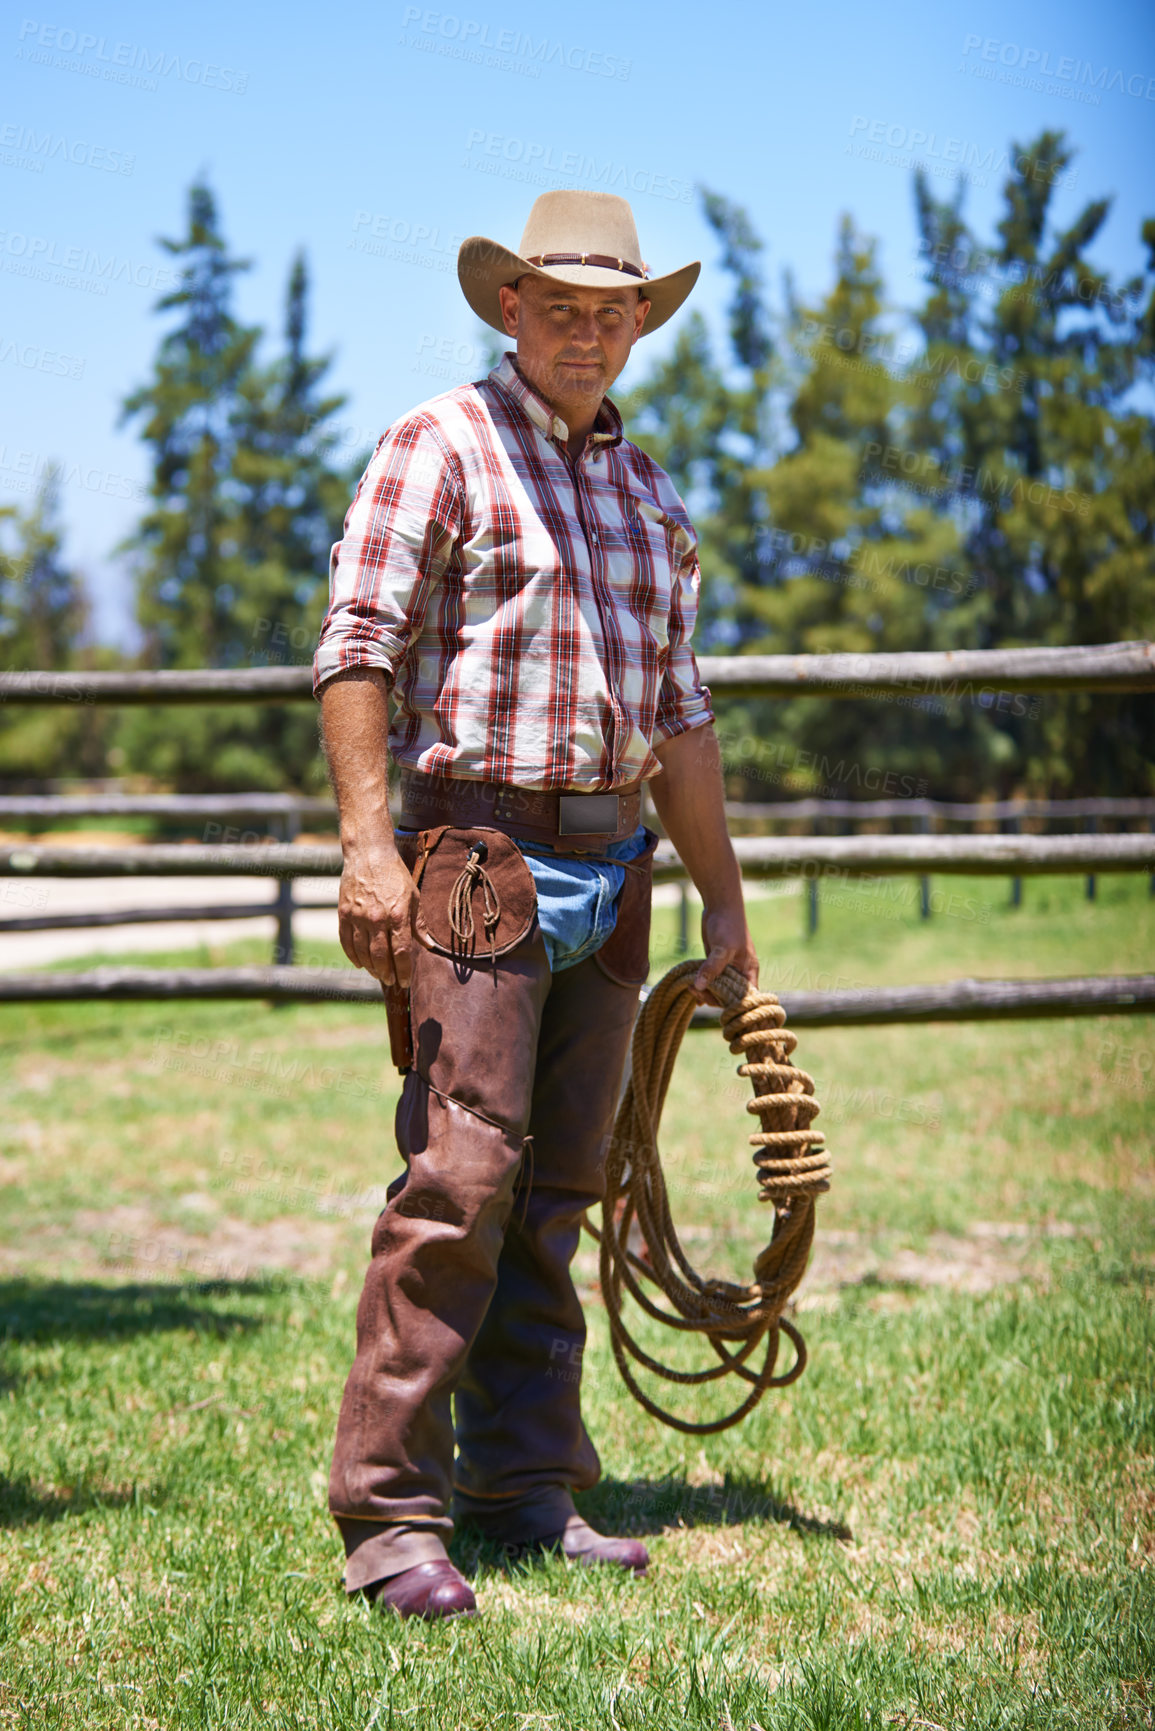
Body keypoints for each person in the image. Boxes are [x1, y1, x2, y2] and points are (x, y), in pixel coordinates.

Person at [313, 190, 758, 1621]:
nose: (586, 331)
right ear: (509, 308)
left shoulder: (650, 497)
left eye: (611, 310)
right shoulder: (435, 446)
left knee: (563, 1184)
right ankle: (389, 1513)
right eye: (559, 306)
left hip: (612, 863)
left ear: (641, 322)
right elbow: (358, 645)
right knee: (460, 1179)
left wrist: (728, 913)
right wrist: (370, 847)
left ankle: (519, 1487)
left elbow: (680, 717)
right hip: (478, 859)